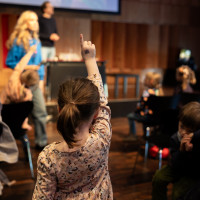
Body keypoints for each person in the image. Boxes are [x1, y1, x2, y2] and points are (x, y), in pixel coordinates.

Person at [32, 34, 113, 199]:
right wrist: (90, 59)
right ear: (96, 113)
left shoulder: (48, 157)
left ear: (59, 109)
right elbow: (102, 101)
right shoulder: (102, 138)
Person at [6, 10, 48, 149]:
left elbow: (40, 64)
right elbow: (10, 62)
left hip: (35, 82)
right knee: (18, 113)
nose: (35, 23)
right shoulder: (18, 40)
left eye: (36, 20)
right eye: (31, 20)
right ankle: (9, 143)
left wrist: (41, 81)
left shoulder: (37, 41)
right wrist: (28, 66)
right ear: (24, 23)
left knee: (41, 111)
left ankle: (41, 142)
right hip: (22, 82)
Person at [152, 101, 200, 200]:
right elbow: (174, 163)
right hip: (177, 166)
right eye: (181, 127)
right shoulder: (175, 138)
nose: (183, 132)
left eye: (189, 131)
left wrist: (193, 145)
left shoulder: (197, 139)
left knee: (178, 192)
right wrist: (182, 151)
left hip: (192, 172)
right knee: (158, 177)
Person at [127, 71, 163, 137]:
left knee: (130, 116)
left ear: (151, 81)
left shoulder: (147, 92)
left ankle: (132, 135)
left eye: (145, 78)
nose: (144, 80)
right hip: (158, 117)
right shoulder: (160, 92)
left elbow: (141, 106)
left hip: (147, 117)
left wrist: (137, 110)